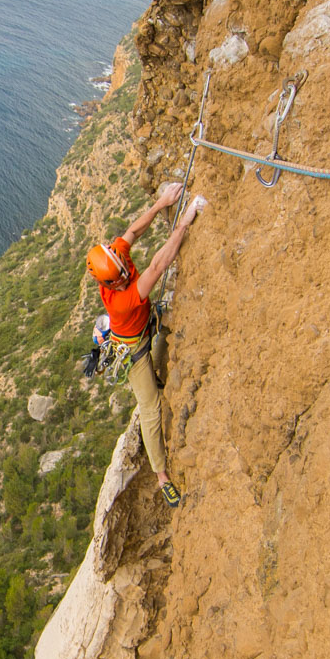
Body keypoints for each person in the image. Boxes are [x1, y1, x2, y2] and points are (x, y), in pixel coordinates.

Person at [85, 183, 203, 507]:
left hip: (148, 326)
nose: (126, 274)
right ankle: (162, 475)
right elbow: (157, 267)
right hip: (133, 353)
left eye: (124, 270)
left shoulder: (115, 260)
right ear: (108, 283)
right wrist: (184, 222)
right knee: (151, 409)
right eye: (120, 276)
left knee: (166, 336)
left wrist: (160, 204)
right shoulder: (121, 300)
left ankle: (160, 372)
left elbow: (133, 231)